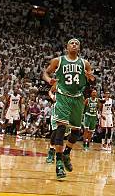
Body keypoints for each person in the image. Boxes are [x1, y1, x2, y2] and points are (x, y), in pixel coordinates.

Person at [42, 38, 95, 180]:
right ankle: (58, 162)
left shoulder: (85, 63)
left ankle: (66, 153)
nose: (74, 44)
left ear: (80, 48)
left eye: (77, 43)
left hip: (78, 97)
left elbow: (91, 80)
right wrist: (49, 80)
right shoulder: (58, 61)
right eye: (71, 43)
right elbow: (45, 73)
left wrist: (90, 77)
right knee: (60, 128)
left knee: (76, 131)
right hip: (63, 96)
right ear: (67, 47)